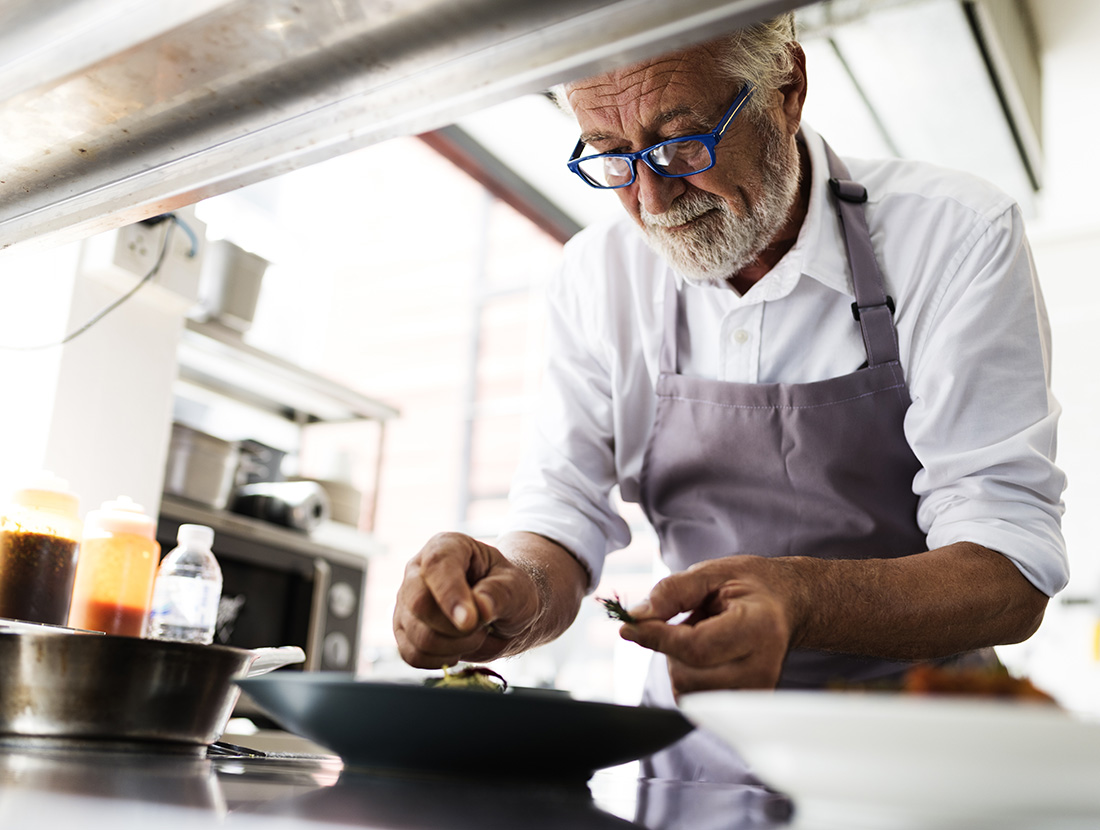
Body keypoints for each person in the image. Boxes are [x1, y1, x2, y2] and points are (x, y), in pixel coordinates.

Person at [392, 13, 1068, 781]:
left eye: (682, 143)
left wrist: (799, 600)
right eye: (613, 158)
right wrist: (512, 588)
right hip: (695, 756)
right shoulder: (595, 277)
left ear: (787, 87)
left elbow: (1008, 570)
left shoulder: (953, 237)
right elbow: (561, 518)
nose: (651, 196)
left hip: (921, 761)